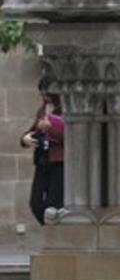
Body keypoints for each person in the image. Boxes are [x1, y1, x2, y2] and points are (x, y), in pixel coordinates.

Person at [20, 78, 64, 226]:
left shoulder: (66, 108)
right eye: (42, 93)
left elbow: (72, 136)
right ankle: (50, 232)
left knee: (53, 205)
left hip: (59, 162)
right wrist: (25, 138)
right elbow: (34, 131)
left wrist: (49, 128)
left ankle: (55, 236)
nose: (44, 96)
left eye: (47, 93)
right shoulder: (42, 110)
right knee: (36, 203)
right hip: (42, 160)